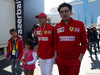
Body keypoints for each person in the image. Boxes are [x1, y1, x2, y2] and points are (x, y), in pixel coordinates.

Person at [54, 3, 88, 75]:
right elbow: (55, 42)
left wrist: (80, 58)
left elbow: (84, 42)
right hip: (61, 60)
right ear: (60, 14)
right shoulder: (57, 26)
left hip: (74, 60)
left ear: (71, 12)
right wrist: (56, 57)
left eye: (66, 11)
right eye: (61, 12)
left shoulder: (80, 24)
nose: (64, 13)